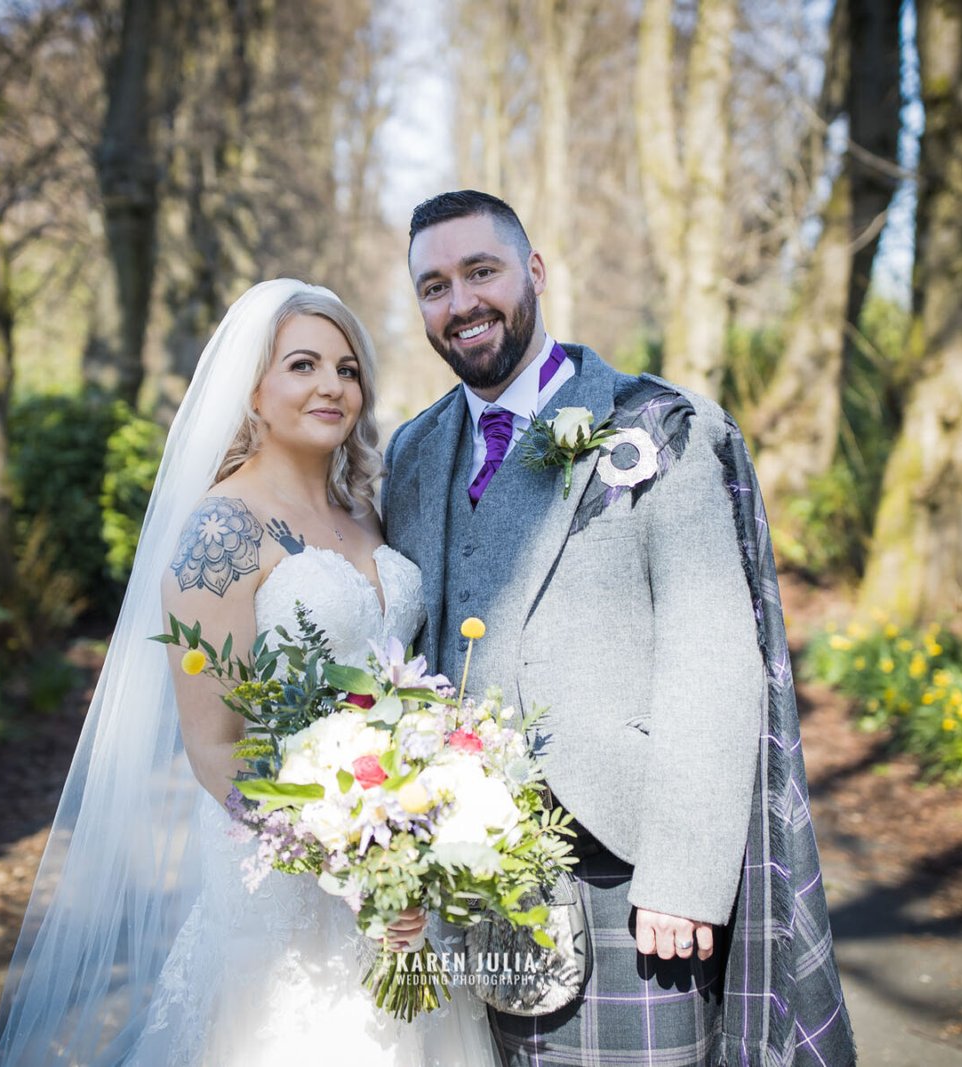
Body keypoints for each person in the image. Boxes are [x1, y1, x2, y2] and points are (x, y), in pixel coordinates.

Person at [383, 191, 856, 1066]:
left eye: (481, 271)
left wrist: (683, 876)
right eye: (434, 286)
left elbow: (711, 660)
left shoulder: (659, 428)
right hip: (458, 887)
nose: (460, 302)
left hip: (630, 882)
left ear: (534, 272)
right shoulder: (412, 452)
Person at [0, 279, 499, 1066]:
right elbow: (212, 744)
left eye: (347, 368)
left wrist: (411, 841)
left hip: (400, 851)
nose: (332, 384)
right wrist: (348, 854)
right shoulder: (220, 530)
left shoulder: (366, 508)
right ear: (253, 389)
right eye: (303, 365)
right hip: (289, 871)